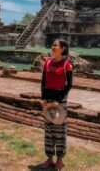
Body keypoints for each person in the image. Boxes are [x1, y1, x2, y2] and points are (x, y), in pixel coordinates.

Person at [39, 39, 73, 170]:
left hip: (60, 100)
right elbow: (43, 82)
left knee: (59, 131)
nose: (53, 47)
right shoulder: (47, 62)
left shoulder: (67, 65)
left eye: (56, 45)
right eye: (52, 45)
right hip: (48, 99)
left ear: (63, 48)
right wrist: (43, 98)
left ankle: (59, 159)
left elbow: (69, 85)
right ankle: (49, 158)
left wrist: (58, 100)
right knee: (48, 130)